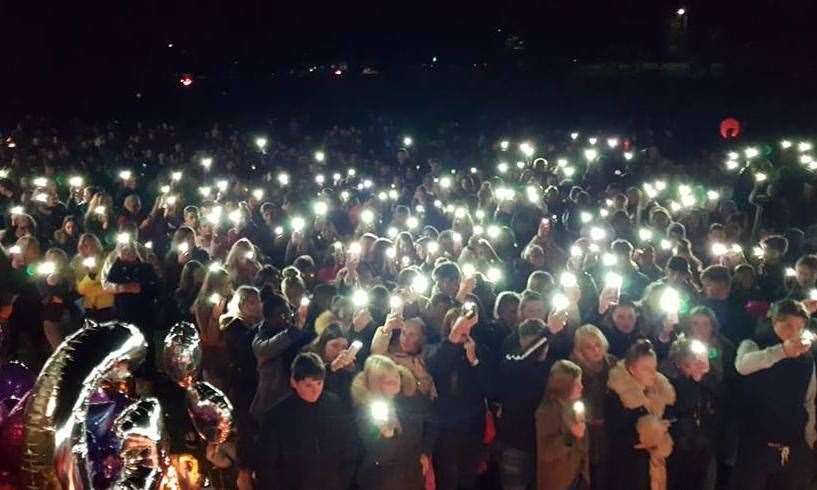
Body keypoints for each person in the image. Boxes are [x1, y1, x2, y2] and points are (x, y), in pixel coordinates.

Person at [730, 300, 816, 490]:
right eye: (788, 326)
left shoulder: (806, 359)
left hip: (792, 444)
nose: (793, 333)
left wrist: (810, 437)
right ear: (774, 322)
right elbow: (743, 366)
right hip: (756, 444)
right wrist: (782, 351)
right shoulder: (753, 344)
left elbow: (809, 400)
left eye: (799, 328)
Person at [251, 352, 358, 489]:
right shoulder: (277, 416)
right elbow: (266, 465)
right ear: (294, 382)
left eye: (319, 383)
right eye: (308, 385)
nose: (315, 390)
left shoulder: (334, 404)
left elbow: (350, 445)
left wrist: (342, 480)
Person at [351, 354, 434, 490]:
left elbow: (431, 421)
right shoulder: (365, 411)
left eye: (396, 376)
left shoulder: (412, 397)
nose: (395, 382)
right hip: (382, 481)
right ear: (375, 383)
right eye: (387, 381)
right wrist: (386, 435)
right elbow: (379, 457)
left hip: (413, 476)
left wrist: (425, 451)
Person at [606, 339, 676, 490]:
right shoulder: (617, 395)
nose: (653, 373)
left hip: (651, 469)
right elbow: (613, 435)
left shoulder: (658, 392)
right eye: (646, 368)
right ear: (631, 369)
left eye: (654, 368)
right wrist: (644, 437)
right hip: (626, 471)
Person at [496, 319, 552, 490]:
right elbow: (521, 364)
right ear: (521, 342)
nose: (539, 350)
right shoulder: (512, 360)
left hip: (544, 443)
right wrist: (547, 334)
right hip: (515, 442)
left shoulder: (553, 366)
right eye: (535, 345)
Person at [569, 325, 616, 490]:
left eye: (598, 344)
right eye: (589, 347)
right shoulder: (574, 371)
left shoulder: (613, 365)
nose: (596, 350)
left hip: (611, 429)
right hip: (587, 432)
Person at [535, 359, 589, 490]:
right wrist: (571, 436)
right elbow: (546, 451)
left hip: (576, 475)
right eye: (576, 384)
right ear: (564, 386)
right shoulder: (547, 411)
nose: (582, 387)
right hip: (558, 481)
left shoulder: (573, 406)